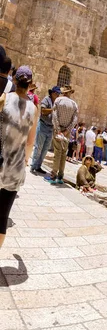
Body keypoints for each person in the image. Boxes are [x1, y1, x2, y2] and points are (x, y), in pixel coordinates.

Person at [0, 65, 38, 249]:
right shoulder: (33, 108)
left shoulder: (4, 99)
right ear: (30, 84)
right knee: (2, 218)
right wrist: (25, 161)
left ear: (14, 80)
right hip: (15, 169)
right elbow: (30, 143)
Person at [45, 85, 78, 185]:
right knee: (64, 153)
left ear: (63, 92)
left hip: (58, 130)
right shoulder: (74, 104)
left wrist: (58, 130)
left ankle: (53, 175)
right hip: (66, 132)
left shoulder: (58, 101)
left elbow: (54, 116)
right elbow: (75, 120)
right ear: (70, 93)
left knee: (57, 153)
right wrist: (67, 131)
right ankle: (60, 177)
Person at [30, 85, 61, 175]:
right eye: (56, 93)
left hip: (50, 127)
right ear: (52, 93)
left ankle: (38, 166)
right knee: (38, 147)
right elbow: (43, 111)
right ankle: (33, 166)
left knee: (45, 149)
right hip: (43, 125)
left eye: (58, 94)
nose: (58, 95)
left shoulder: (57, 102)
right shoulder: (46, 100)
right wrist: (53, 109)